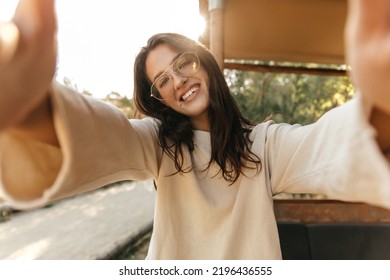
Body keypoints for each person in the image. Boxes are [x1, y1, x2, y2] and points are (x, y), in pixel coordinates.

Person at [0, 0, 389, 259]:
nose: (179, 81)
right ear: (160, 100)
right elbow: (105, 136)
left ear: (203, 62)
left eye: (183, 63)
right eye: (163, 81)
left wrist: (381, 104)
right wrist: (32, 109)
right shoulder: (158, 145)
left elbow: (327, 146)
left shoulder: (265, 146)